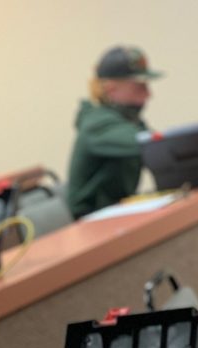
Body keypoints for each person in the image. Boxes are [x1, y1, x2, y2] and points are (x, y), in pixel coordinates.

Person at [66, 46, 163, 219]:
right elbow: (151, 147)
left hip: (115, 214)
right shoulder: (98, 124)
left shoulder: (126, 120)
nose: (148, 94)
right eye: (139, 87)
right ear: (111, 89)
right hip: (91, 223)